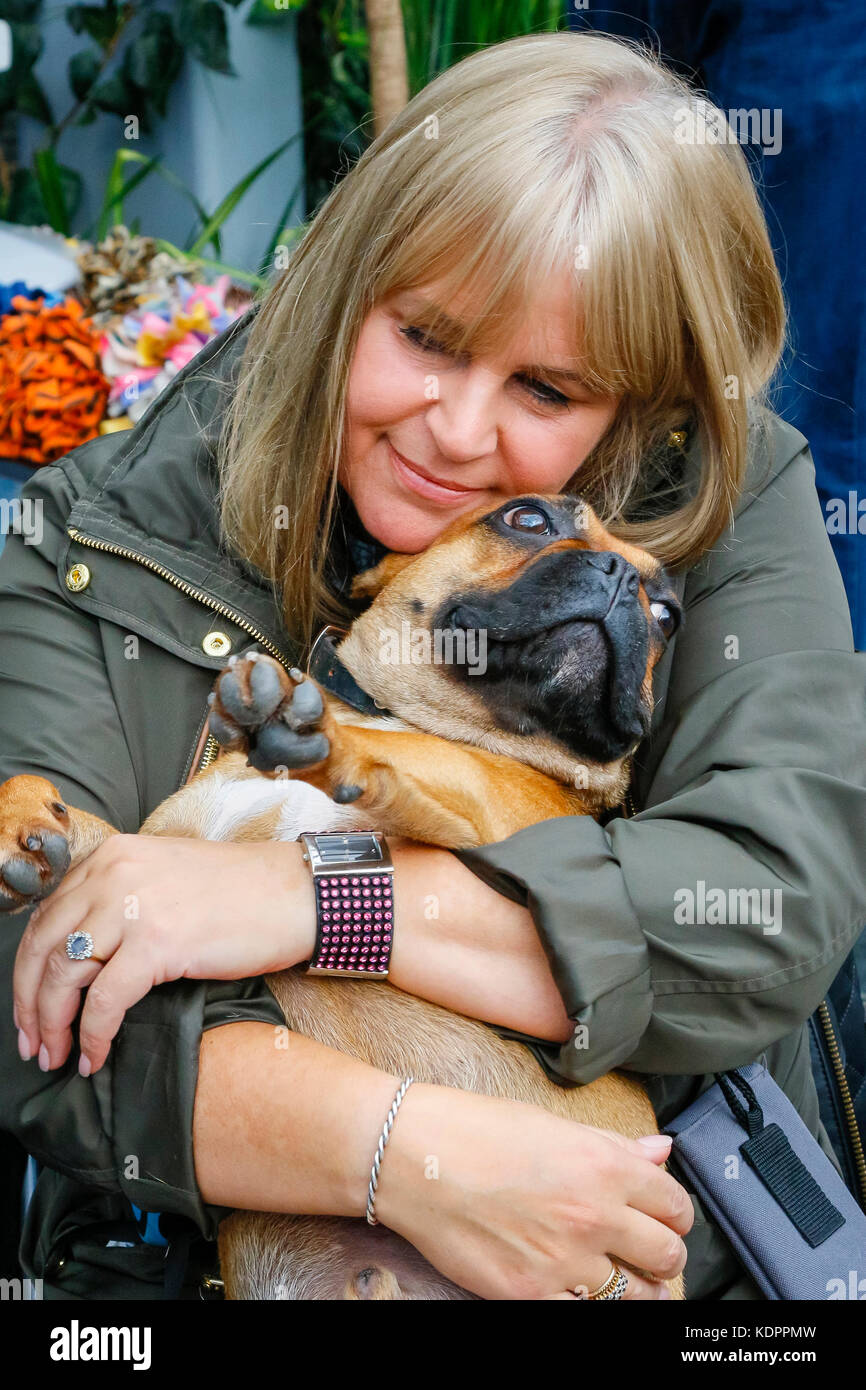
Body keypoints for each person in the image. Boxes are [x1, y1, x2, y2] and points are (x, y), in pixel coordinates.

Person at [1, 31, 864, 1302]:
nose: (457, 431)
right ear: (343, 282)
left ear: (637, 404)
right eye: (424, 337)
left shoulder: (712, 489)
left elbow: (764, 904)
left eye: (548, 389)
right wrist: (414, 1159)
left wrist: (310, 901)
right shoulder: (104, 532)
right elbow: (24, 1007)